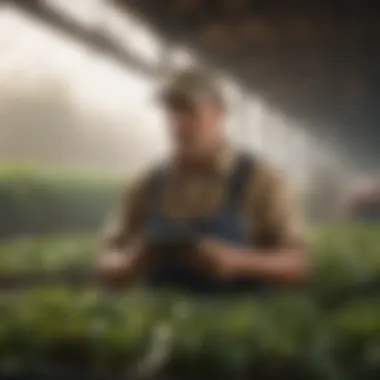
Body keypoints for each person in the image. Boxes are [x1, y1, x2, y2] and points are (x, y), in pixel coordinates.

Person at [98, 68, 308, 295]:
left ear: (220, 112)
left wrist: (239, 262)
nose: (178, 123)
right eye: (172, 111)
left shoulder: (262, 180)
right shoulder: (147, 183)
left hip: (237, 326)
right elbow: (107, 259)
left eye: (189, 110)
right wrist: (131, 262)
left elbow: (299, 264)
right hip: (159, 327)